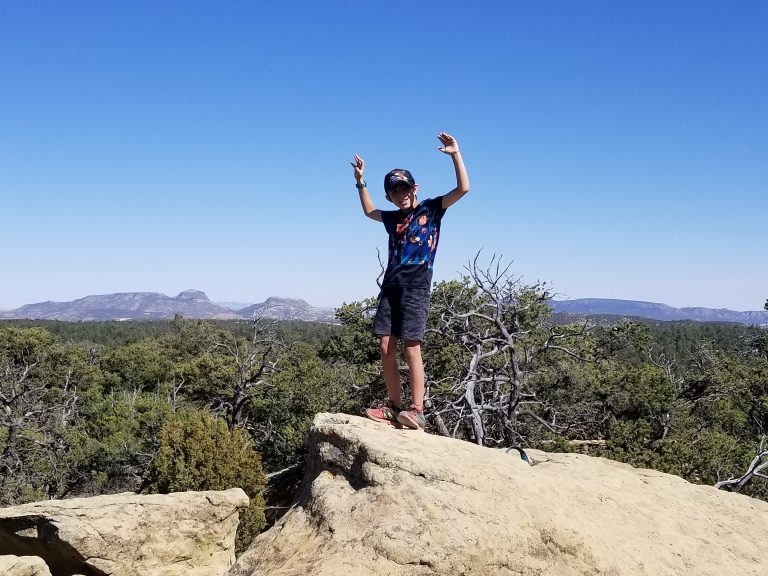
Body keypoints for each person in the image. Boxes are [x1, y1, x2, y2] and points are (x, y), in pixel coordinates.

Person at [351, 132, 470, 430]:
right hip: (391, 286)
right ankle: (394, 406)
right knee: (385, 346)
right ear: (389, 196)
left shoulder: (431, 209)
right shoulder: (393, 218)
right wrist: (360, 181)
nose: (401, 194)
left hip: (416, 287)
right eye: (394, 191)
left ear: (414, 188)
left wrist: (455, 154)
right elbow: (368, 211)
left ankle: (416, 409)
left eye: (404, 188)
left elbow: (463, 188)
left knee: (412, 346)